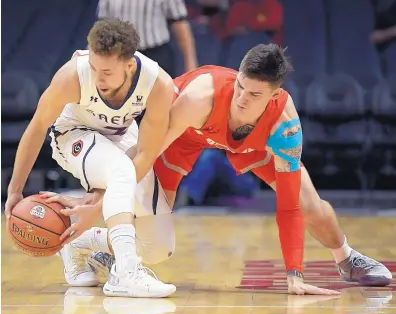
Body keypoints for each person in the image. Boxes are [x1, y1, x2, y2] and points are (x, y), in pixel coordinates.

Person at [47, 44, 392, 295]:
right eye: (240, 86)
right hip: (179, 138)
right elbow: (144, 153)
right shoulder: (198, 98)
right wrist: (100, 200)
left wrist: (294, 274)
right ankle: (91, 243)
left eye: (254, 94)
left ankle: (347, 259)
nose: (242, 98)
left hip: (250, 144)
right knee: (157, 245)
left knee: (310, 204)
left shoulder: (285, 126)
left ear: (274, 97)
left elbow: (288, 207)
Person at [4, 18, 177, 298]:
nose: (98, 78)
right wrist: (14, 189)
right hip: (73, 135)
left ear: (129, 65)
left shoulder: (158, 85)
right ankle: (125, 273)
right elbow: (36, 128)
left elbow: (146, 153)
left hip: (122, 139)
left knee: (158, 248)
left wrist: (97, 203)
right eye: (94, 67)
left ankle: (80, 242)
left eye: (107, 71)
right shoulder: (71, 77)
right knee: (121, 169)